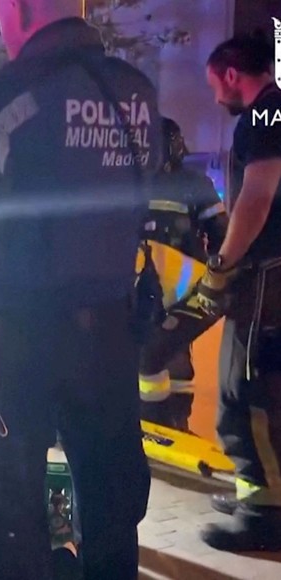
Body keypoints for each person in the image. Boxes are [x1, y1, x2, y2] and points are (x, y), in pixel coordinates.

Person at [0, 1, 161, 578]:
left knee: (11, 507)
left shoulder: (6, 95)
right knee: (111, 502)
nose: (2, 30)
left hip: (20, 338)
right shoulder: (135, 91)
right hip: (110, 335)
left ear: (19, 9)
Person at [199, 35, 281, 552]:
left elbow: (256, 196)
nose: (215, 97)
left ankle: (263, 514)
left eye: (214, 84)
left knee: (245, 388)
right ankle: (262, 491)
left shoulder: (264, 117)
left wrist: (223, 264)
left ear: (232, 74)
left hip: (266, 276)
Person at [137, 117, 228, 431]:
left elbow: (221, 236)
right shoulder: (133, 183)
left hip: (184, 291)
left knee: (156, 354)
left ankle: (165, 425)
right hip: (154, 293)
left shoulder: (193, 184)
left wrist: (218, 277)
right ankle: (166, 426)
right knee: (160, 356)